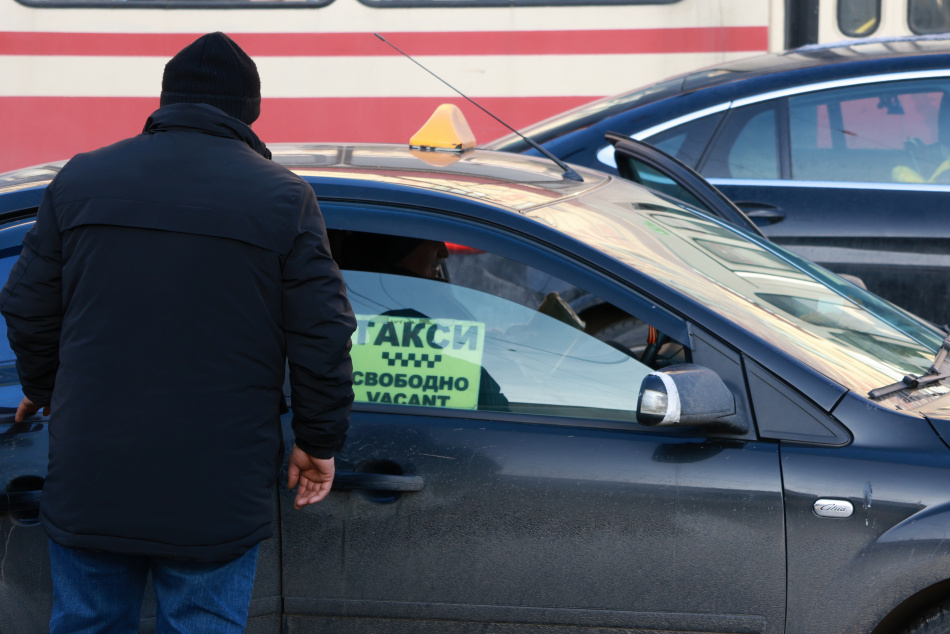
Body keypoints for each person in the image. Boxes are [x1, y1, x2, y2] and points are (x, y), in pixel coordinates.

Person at [0, 32, 356, 633]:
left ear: (164, 101)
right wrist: (318, 441)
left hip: (95, 471)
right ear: (250, 112)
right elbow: (324, 333)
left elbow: (27, 304)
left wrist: (48, 386)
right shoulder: (283, 198)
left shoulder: (82, 178)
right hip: (217, 487)